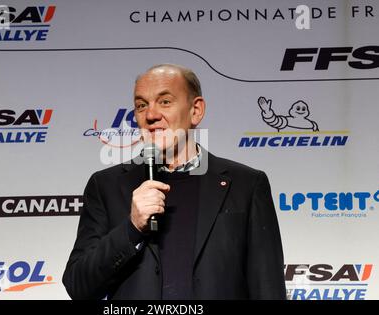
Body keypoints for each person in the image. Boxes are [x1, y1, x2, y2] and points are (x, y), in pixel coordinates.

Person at [63, 64, 286, 299]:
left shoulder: (246, 185)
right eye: (141, 105)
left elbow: (267, 287)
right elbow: (78, 285)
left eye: (165, 102)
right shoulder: (106, 186)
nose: (151, 115)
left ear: (196, 110)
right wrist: (132, 229)